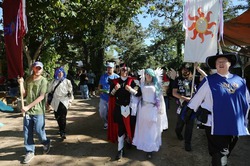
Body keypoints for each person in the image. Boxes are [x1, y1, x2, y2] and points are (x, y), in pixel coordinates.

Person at [186, 53, 250, 166]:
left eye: (223, 61)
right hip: (214, 124)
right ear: (215, 65)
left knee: (225, 152)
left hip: (234, 124)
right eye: (218, 62)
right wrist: (188, 113)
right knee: (220, 153)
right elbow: (196, 99)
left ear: (229, 64)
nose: (220, 63)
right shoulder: (209, 81)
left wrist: (245, 121)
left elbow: (247, 102)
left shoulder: (240, 81)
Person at [18, 61, 51, 164]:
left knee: (39, 130)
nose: (38, 70)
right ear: (33, 68)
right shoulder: (28, 79)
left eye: (40, 68)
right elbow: (24, 94)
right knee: (27, 132)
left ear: (42, 69)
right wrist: (21, 84)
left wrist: (28, 106)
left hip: (38, 111)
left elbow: (41, 97)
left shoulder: (43, 81)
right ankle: (29, 151)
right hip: (28, 112)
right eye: (36, 68)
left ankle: (46, 142)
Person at [133, 68, 168, 159]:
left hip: (153, 109)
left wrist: (161, 109)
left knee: (152, 129)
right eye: (146, 74)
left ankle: (150, 150)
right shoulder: (142, 84)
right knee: (144, 128)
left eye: (149, 74)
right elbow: (138, 95)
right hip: (143, 109)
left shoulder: (157, 86)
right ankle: (144, 145)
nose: (148, 76)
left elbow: (160, 99)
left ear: (153, 76)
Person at [108, 64, 141, 160]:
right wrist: (115, 89)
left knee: (130, 126)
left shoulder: (132, 81)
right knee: (121, 128)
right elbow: (111, 95)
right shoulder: (115, 82)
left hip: (130, 108)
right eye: (123, 70)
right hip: (119, 108)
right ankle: (120, 149)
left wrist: (130, 89)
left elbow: (138, 93)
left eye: (126, 70)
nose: (124, 72)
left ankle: (129, 140)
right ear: (120, 71)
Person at [172, 63, 194, 151]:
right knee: (180, 124)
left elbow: (206, 79)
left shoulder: (194, 80)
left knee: (190, 125)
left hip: (192, 106)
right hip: (182, 105)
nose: (185, 71)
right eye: (184, 69)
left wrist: (198, 69)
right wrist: (184, 98)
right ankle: (178, 132)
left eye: (187, 70)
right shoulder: (177, 80)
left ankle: (187, 143)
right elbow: (174, 93)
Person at [47, 67, 74, 139]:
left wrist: (70, 101)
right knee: (57, 116)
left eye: (61, 72)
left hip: (64, 101)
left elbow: (70, 92)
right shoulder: (53, 82)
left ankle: (63, 131)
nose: (60, 73)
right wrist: (48, 102)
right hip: (56, 101)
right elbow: (49, 91)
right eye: (58, 72)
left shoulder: (67, 81)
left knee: (63, 116)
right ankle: (60, 128)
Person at [98, 62, 119, 130]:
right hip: (103, 98)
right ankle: (106, 122)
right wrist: (100, 90)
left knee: (112, 113)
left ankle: (112, 124)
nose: (109, 69)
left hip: (113, 98)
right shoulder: (103, 76)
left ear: (113, 68)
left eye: (110, 68)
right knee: (102, 112)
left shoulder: (117, 77)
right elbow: (99, 86)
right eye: (108, 67)